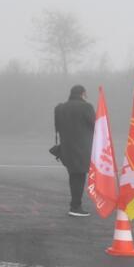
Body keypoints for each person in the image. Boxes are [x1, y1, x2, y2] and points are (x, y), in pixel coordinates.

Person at [54, 85, 96, 217]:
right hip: (82, 148)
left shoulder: (60, 108)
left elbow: (58, 127)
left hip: (66, 148)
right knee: (78, 176)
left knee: (74, 176)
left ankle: (75, 204)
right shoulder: (86, 107)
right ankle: (75, 206)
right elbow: (96, 125)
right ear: (83, 93)